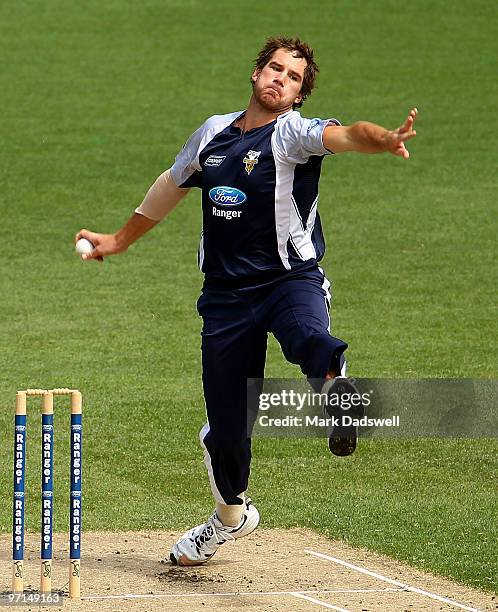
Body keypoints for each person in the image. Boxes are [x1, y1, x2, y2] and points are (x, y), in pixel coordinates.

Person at [75, 36, 417, 567]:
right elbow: (171, 183)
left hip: (289, 280)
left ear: (300, 94)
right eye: (274, 69)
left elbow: (348, 135)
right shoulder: (213, 133)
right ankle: (229, 516)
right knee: (227, 435)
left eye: (294, 77)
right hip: (227, 299)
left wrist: (385, 138)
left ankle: (335, 386)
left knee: (308, 336)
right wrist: (118, 240)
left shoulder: (295, 135)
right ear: (256, 73)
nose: (281, 78)